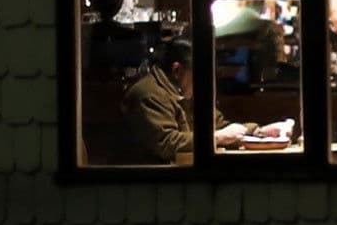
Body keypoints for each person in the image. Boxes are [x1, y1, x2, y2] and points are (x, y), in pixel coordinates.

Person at [121, 38, 290, 163]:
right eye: (198, 74)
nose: (203, 82)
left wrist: (258, 133)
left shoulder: (187, 92)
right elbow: (166, 144)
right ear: (177, 70)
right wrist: (216, 138)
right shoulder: (148, 94)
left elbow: (220, 126)